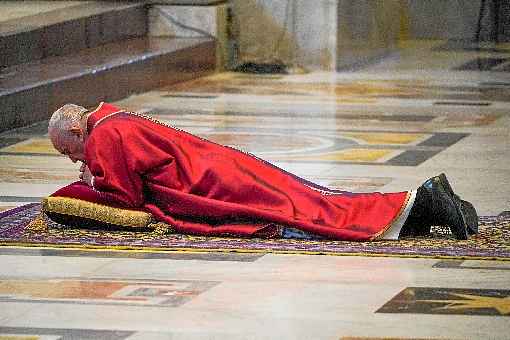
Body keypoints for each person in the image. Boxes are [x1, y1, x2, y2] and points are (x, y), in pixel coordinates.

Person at [47, 102, 478, 241]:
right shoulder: (113, 119)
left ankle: (424, 201)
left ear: (75, 127)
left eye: (69, 150)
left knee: (306, 212)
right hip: (221, 168)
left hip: (211, 184)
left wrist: (86, 184)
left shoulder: (104, 136)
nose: (73, 160)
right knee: (313, 199)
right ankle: (423, 204)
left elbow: (126, 199)